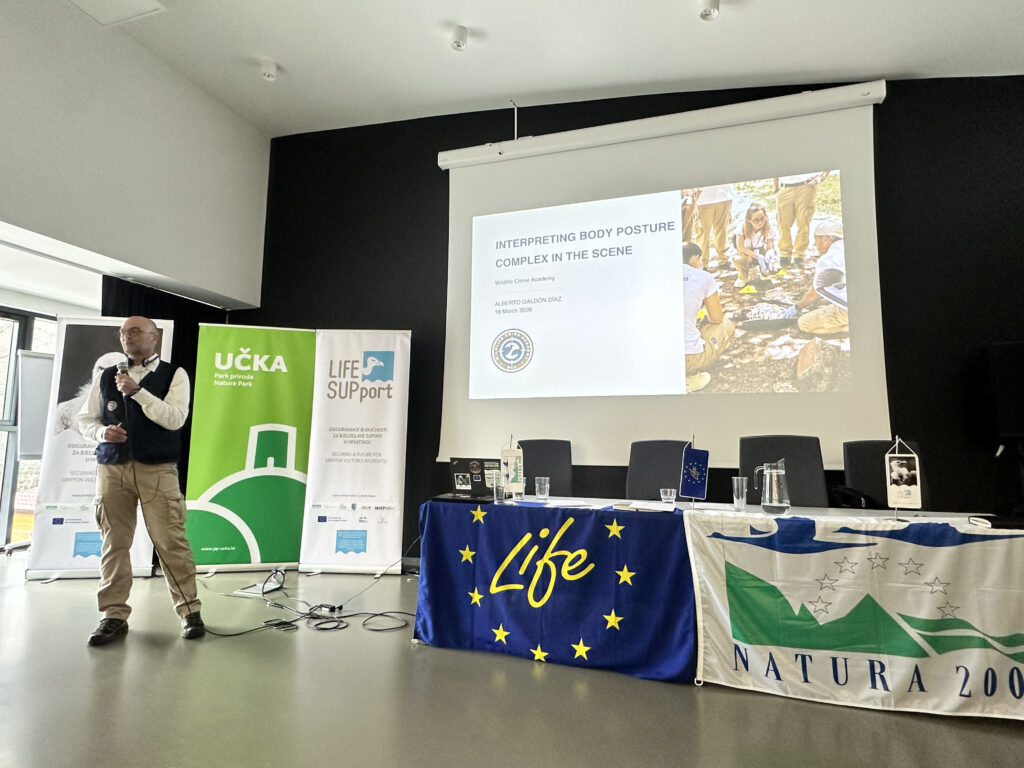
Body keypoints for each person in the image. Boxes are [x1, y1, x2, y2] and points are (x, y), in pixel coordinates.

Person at [77, 316, 204, 646]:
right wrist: (102, 432)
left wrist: (139, 393)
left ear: (154, 338)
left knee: (169, 540)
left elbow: (175, 419)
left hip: (157, 470)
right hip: (112, 468)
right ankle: (113, 615)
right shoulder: (107, 375)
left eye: (133, 331)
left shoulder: (175, 375)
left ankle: (190, 611)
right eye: (122, 333)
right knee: (114, 542)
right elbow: (85, 420)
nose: (125, 337)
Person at [682, 242, 735, 391]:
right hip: (686, 359)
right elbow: (717, 318)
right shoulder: (703, 276)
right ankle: (689, 378)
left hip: (654, 358)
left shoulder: (656, 276)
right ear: (695, 257)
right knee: (726, 324)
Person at [782, 217, 848, 334]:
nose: (815, 244)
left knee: (804, 323)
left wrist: (796, 308)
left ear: (826, 239)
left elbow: (813, 294)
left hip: (852, 309)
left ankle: (852, 326)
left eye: (816, 240)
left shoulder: (827, 260)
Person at [773, 171, 829, 264]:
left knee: (803, 221)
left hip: (806, 186)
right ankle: (785, 253)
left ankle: (799, 254)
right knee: (783, 223)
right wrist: (775, 187)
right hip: (784, 187)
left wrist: (823, 175)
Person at [731, 202, 779, 288]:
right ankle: (743, 277)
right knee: (739, 260)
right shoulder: (741, 227)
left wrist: (770, 256)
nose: (760, 222)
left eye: (762, 219)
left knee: (771, 264)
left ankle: (764, 273)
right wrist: (756, 256)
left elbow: (770, 245)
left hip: (761, 251)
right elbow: (740, 247)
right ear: (748, 219)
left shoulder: (769, 228)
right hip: (746, 252)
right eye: (756, 220)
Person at [694, 183, 734, 268]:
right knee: (703, 233)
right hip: (703, 199)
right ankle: (702, 264)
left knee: (722, 229)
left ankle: (723, 260)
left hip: (725, 195)